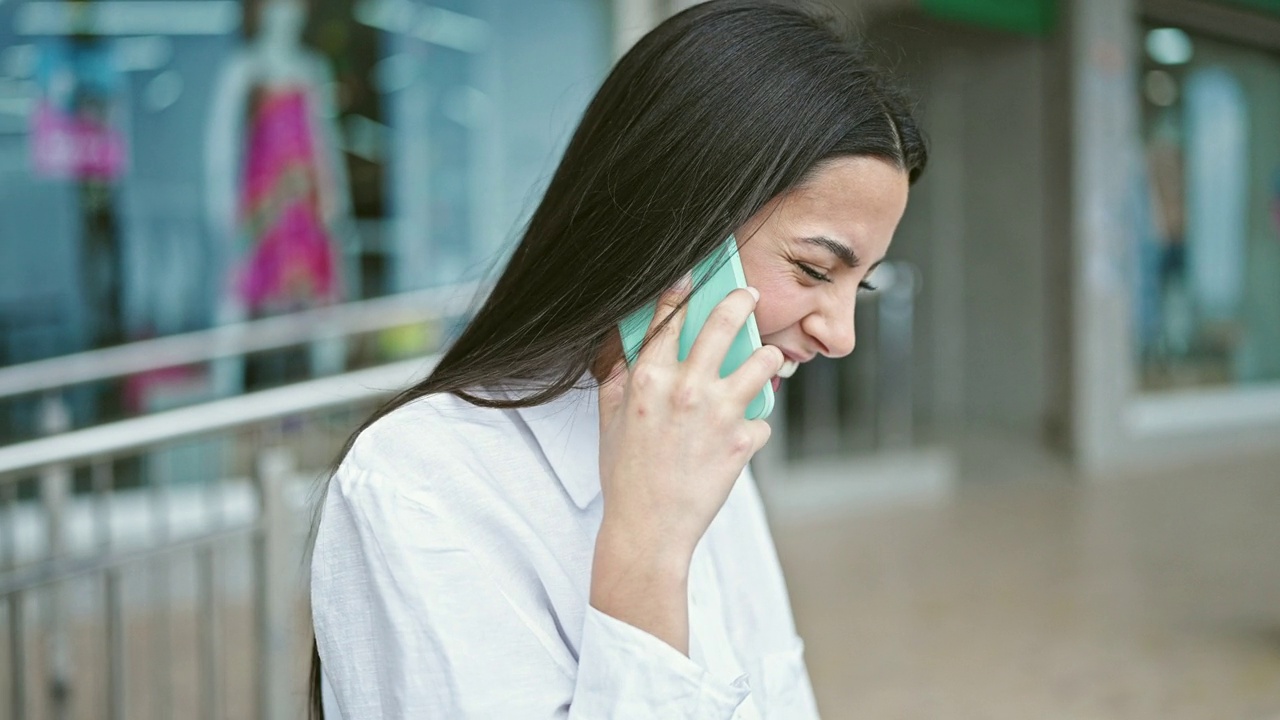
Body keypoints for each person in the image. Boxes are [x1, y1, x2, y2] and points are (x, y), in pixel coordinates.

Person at [308, 1, 927, 717]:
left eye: (864, 281)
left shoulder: (704, 435)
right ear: (681, 221)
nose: (841, 334)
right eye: (816, 270)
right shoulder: (417, 484)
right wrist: (647, 550)